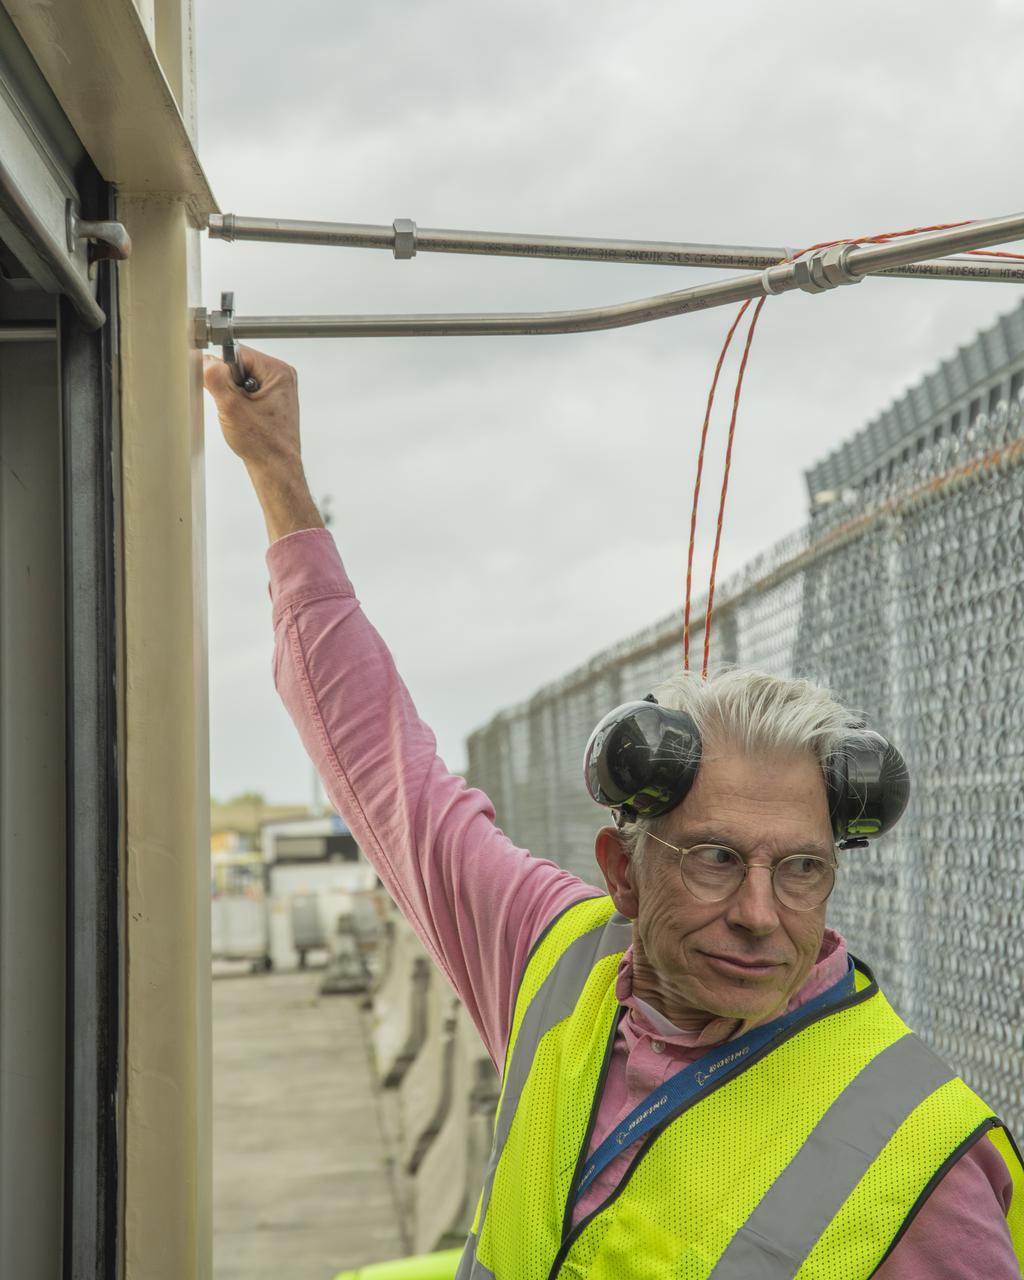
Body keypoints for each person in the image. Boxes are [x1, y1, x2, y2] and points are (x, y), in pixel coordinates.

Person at [204, 348, 1023, 1279]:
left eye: (801, 868)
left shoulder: (920, 1161)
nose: (761, 915)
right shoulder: (556, 965)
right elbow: (382, 762)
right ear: (623, 871)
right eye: (716, 859)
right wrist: (276, 471)